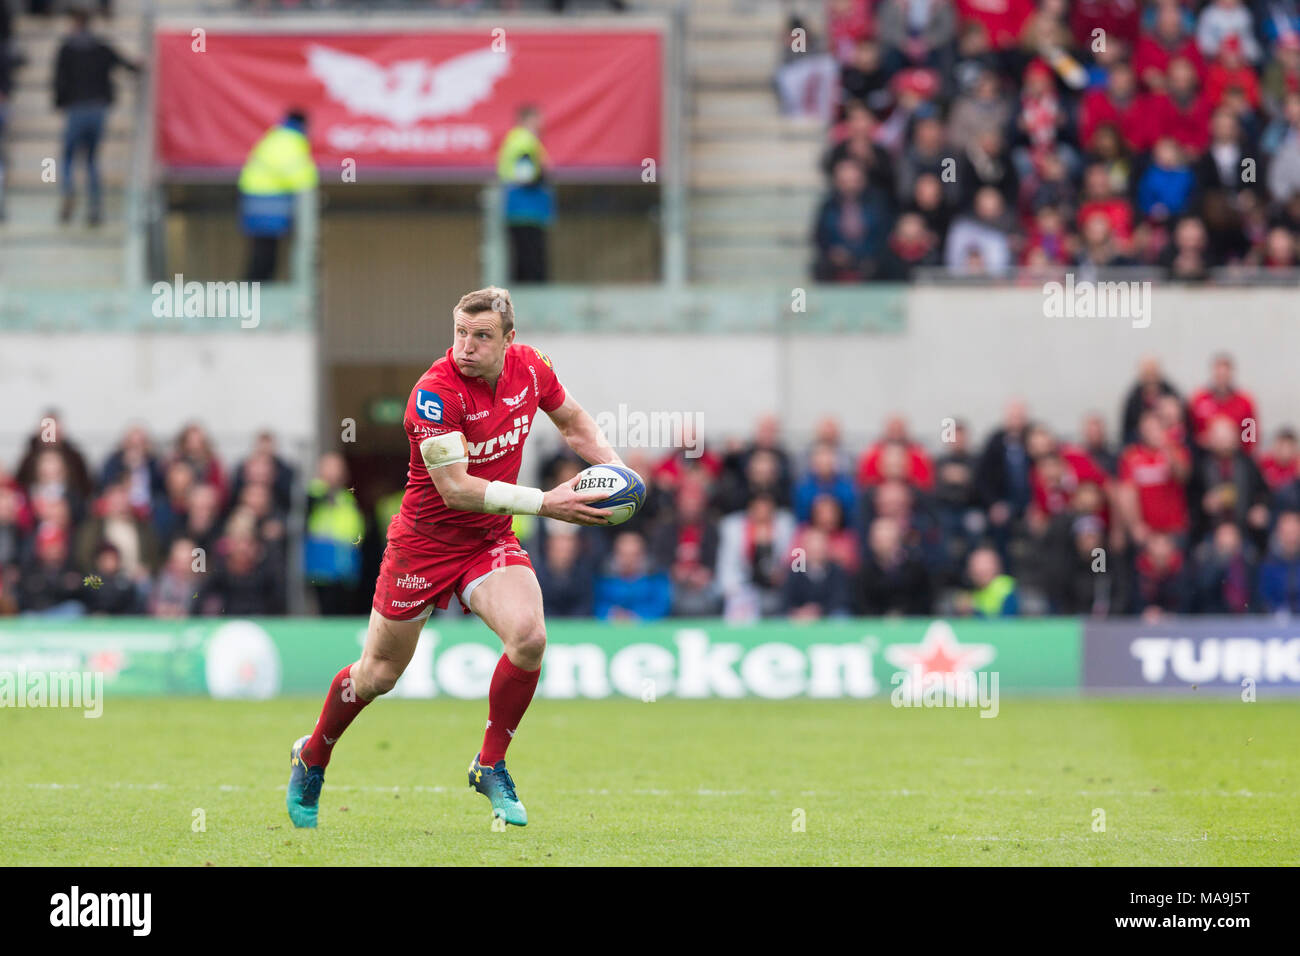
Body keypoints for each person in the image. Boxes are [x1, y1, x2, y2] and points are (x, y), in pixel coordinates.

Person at [287, 287, 622, 830]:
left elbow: (574, 422)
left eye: (481, 336)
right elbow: (456, 490)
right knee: (378, 674)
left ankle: (490, 764)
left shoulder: (532, 368)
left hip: (488, 541)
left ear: (508, 340)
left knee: (530, 637)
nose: (466, 346)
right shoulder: (432, 396)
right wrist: (547, 503)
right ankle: (314, 754)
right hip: (423, 546)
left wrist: (617, 470)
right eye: (460, 333)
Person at [52, 6, 139, 225]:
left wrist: (60, 103)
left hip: (77, 109)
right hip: (99, 109)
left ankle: (69, 192)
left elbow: (58, 79)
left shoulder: (67, 48)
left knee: (69, 157)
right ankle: (94, 207)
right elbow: (126, 64)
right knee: (91, 160)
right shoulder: (101, 46)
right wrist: (140, 65)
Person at [238, 108, 318, 281]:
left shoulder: (277, 137)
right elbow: (297, 174)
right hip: (268, 202)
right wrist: (312, 185)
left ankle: (259, 287)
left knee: (264, 249)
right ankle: (258, 290)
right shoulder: (289, 141)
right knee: (266, 251)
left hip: (259, 201)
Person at [497, 104, 554, 282]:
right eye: (537, 119)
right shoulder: (524, 141)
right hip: (526, 210)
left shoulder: (516, 140)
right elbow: (526, 175)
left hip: (521, 209)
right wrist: (543, 175)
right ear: (526, 120)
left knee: (522, 262)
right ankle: (534, 305)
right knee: (532, 262)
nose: (541, 123)